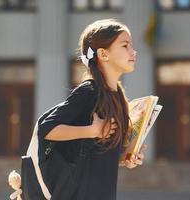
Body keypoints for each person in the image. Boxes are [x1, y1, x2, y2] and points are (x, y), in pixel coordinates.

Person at [37, 18, 146, 200]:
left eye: (131, 46)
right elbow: (46, 129)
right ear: (103, 54)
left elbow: (97, 154)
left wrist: (127, 157)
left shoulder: (118, 96)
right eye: (125, 45)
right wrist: (92, 130)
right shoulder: (90, 91)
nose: (132, 51)